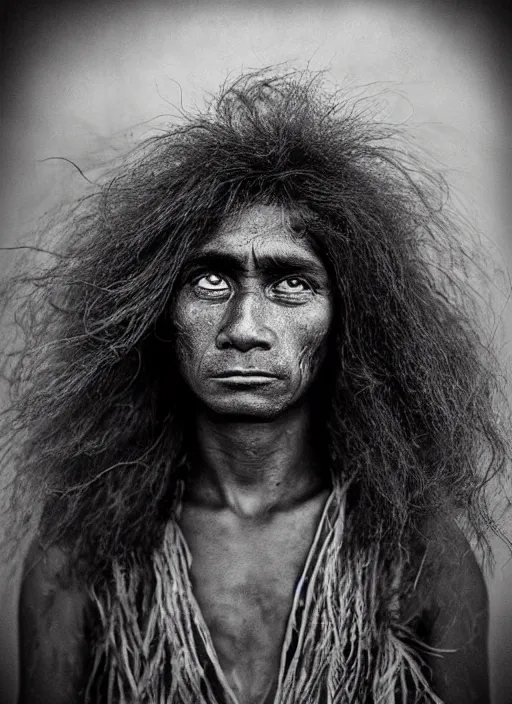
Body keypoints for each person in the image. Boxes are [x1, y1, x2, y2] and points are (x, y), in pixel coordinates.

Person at [4, 71, 508, 704]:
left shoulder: (419, 549)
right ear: (153, 313)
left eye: (290, 283)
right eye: (210, 281)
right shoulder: (81, 545)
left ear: (349, 318)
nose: (244, 329)